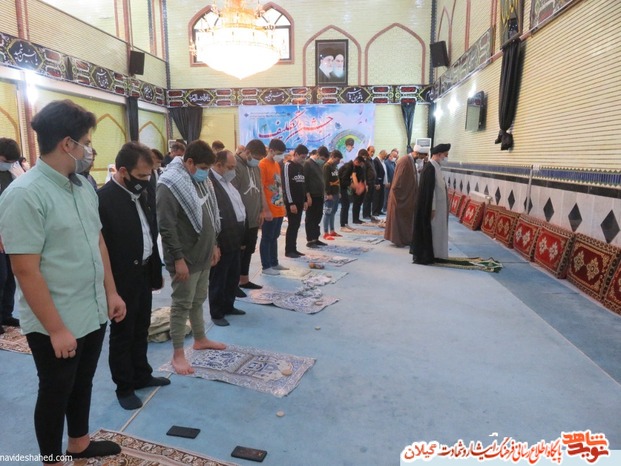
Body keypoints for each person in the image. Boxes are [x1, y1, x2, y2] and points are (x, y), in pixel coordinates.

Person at [0, 100, 126, 462]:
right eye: (86, 142)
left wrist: (111, 292)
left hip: (92, 309)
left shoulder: (82, 186)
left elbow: (97, 241)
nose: (90, 150)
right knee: (56, 391)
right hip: (56, 319)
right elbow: (25, 270)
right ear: (67, 144)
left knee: (82, 382)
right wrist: (56, 329)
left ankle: (79, 443)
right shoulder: (25, 195)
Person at [98, 142, 168, 410]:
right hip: (120, 278)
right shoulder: (104, 200)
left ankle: (141, 374)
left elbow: (150, 232)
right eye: (141, 176)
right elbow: (102, 247)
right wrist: (111, 290)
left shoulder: (143, 191)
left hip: (143, 271)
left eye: (149, 175)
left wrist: (155, 270)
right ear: (123, 171)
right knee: (123, 332)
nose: (146, 180)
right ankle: (124, 386)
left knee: (141, 327)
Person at [156, 140, 226, 376]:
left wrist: (214, 244)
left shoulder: (200, 180)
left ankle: (200, 338)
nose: (207, 172)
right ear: (189, 162)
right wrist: (178, 259)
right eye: (204, 167)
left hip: (204, 253)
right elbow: (166, 226)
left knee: (198, 299)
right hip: (185, 258)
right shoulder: (170, 184)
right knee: (182, 304)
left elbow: (210, 213)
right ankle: (178, 354)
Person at [208, 150, 247, 327]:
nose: (233, 171)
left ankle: (228, 305)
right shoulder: (209, 182)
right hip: (222, 238)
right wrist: (215, 243)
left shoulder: (227, 182)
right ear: (218, 165)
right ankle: (217, 312)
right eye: (230, 167)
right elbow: (211, 215)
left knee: (232, 276)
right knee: (219, 278)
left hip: (235, 236)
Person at [231, 139, 266, 294]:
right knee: (237, 253)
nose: (257, 161)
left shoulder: (255, 167)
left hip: (253, 217)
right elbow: (232, 194)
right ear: (248, 152)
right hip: (240, 220)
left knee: (249, 251)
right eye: (256, 158)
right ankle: (233, 284)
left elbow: (259, 189)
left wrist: (261, 210)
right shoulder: (235, 166)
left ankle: (244, 280)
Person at [411, 143, 451, 264]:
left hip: (439, 208)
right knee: (433, 231)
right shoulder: (430, 168)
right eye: (445, 155)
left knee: (438, 232)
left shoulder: (436, 167)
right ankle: (428, 255)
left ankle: (437, 254)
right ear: (438, 154)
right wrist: (432, 208)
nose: (446, 158)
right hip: (434, 209)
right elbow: (429, 191)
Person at [0, 138, 24, 332]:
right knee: (1, 276)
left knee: (10, 276)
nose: (9, 164)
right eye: (6, 161)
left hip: (11, 231)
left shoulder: (12, 172)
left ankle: (6, 314)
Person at [384, 144, 428, 247]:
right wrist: (399, 197)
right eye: (422, 156)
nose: (422, 159)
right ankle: (399, 240)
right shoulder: (405, 160)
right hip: (400, 198)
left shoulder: (411, 160)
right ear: (417, 153)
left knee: (406, 220)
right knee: (399, 220)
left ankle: (406, 239)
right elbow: (397, 182)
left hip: (408, 197)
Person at [259, 138, 287, 275]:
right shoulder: (262, 165)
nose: (281, 156)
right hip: (269, 208)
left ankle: (274, 262)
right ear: (271, 150)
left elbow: (278, 186)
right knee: (267, 237)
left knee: (274, 236)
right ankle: (266, 266)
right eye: (279, 153)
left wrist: (283, 206)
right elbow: (260, 189)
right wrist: (265, 210)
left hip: (278, 207)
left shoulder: (276, 164)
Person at [282, 144, 308, 258]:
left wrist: (305, 200)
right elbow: (286, 186)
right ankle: (289, 250)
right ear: (296, 154)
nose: (304, 160)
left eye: (305, 157)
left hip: (300, 201)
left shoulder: (301, 167)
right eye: (302, 157)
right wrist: (291, 203)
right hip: (292, 202)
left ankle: (294, 248)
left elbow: (303, 184)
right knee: (292, 226)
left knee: (296, 225)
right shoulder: (288, 166)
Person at [304, 145, 329, 246]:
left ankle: (315, 238)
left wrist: (324, 192)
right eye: (322, 159)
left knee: (318, 217)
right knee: (311, 218)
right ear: (317, 155)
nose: (323, 161)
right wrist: (308, 196)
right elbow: (305, 181)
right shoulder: (308, 163)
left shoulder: (319, 164)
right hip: (312, 195)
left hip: (319, 195)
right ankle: (310, 240)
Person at [338, 153, 366, 231]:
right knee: (344, 206)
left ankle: (345, 224)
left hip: (344, 187)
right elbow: (343, 180)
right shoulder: (348, 166)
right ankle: (342, 225)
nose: (360, 166)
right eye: (360, 164)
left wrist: (357, 186)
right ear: (357, 162)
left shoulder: (353, 166)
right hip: (340, 187)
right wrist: (354, 186)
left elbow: (352, 178)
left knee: (347, 205)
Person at [323, 149, 343, 238]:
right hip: (330, 194)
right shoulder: (326, 166)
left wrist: (339, 192)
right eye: (338, 160)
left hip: (336, 192)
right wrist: (328, 193)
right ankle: (325, 232)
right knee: (327, 212)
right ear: (333, 157)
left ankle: (332, 230)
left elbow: (337, 180)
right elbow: (325, 181)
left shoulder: (335, 166)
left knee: (333, 212)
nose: (339, 162)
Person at [351, 148, 369, 224]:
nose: (364, 158)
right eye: (364, 156)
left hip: (362, 186)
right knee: (356, 203)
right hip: (357, 187)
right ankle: (355, 219)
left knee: (359, 203)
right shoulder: (355, 165)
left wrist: (365, 185)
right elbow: (354, 176)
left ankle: (357, 218)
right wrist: (357, 186)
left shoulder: (362, 165)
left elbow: (364, 176)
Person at [362, 146, 377, 221]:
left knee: (370, 199)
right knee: (367, 199)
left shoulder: (372, 161)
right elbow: (364, 173)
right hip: (368, 182)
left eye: (373, 152)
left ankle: (368, 213)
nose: (372, 153)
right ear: (367, 151)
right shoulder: (366, 161)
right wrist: (366, 184)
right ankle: (365, 214)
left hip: (372, 182)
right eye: (371, 151)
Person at [372, 149, 387, 216]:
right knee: (376, 197)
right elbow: (375, 173)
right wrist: (377, 183)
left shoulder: (382, 161)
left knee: (381, 197)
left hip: (382, 182)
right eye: (384, 156)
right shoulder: (376, 161)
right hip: (378, 182)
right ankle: (375, 211)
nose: (385, 157)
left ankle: (379, 210)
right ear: (381, 154)